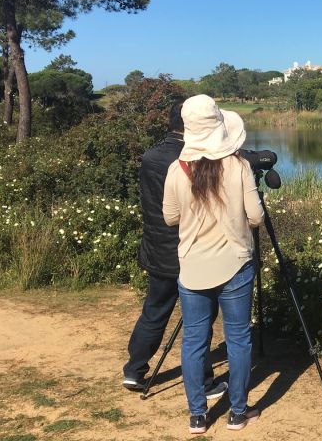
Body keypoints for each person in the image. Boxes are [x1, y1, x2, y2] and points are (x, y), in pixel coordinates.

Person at [163, 94, 264, 434]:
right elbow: (255, 217)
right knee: (238, 339)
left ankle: (197, 416)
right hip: (236, 265)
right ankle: (238, 412)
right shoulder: (238, 166)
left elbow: (169, 217)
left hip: (192, 268)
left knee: (194, 341)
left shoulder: (177, 170)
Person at [123, 101, 227, 400]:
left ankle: (134, 369)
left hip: (157, 249)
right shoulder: (194, 158)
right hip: (191, 250)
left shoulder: (152, 156)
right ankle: (204, 381)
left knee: (155, 310)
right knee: (200, 318)